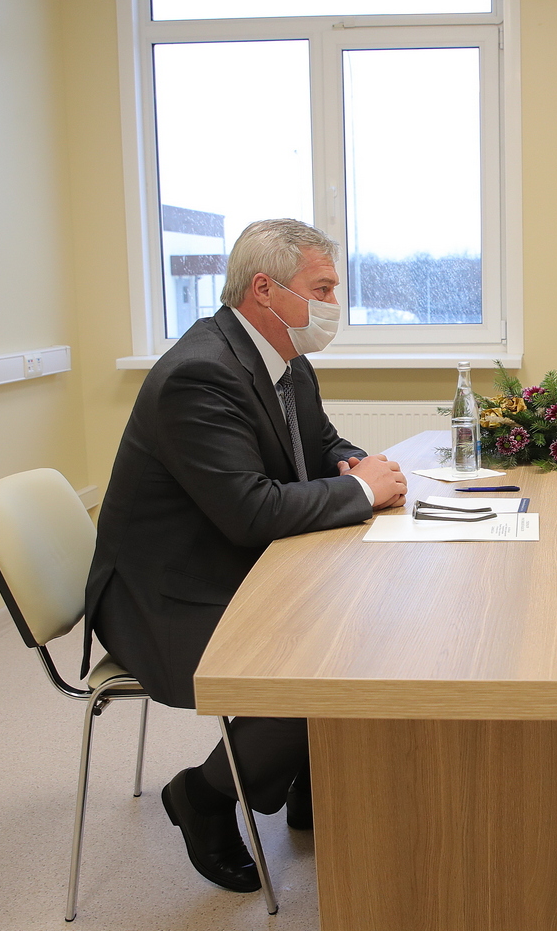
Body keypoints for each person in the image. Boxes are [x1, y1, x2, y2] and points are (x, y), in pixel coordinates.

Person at [82, 219, 407, 893]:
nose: (334, 305)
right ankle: (203, 795)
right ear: (265, 289)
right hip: (167, 598)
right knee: (331, 657)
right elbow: (250, 512)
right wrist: (359, 491)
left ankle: (307, 777)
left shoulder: (285, 358)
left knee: (368, 617)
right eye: (322, 289)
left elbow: (319, 445)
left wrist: (352, 464)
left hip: (233, 566)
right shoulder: (199, 375)